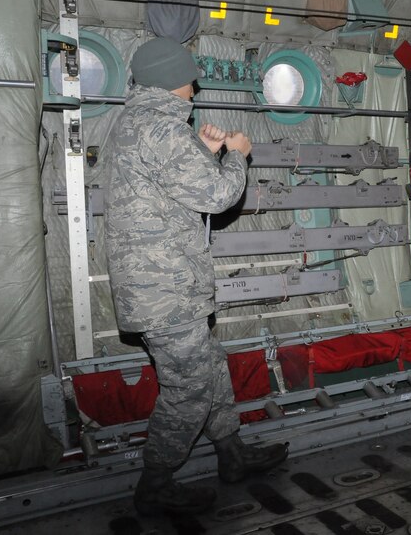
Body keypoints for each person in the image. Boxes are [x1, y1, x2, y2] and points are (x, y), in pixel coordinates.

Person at [104, 37, 288, 516]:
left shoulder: (134, 123)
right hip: (166, 291)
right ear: (174, 79)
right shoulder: (162, 129)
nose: (194, 88)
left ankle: (232, 455)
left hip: (158, 287)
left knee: (209, 365)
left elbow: (172, 191)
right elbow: (217, 196)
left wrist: (203, 152)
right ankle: (156, 484)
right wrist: (235, 154)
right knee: (188, 390)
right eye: (190, 80)